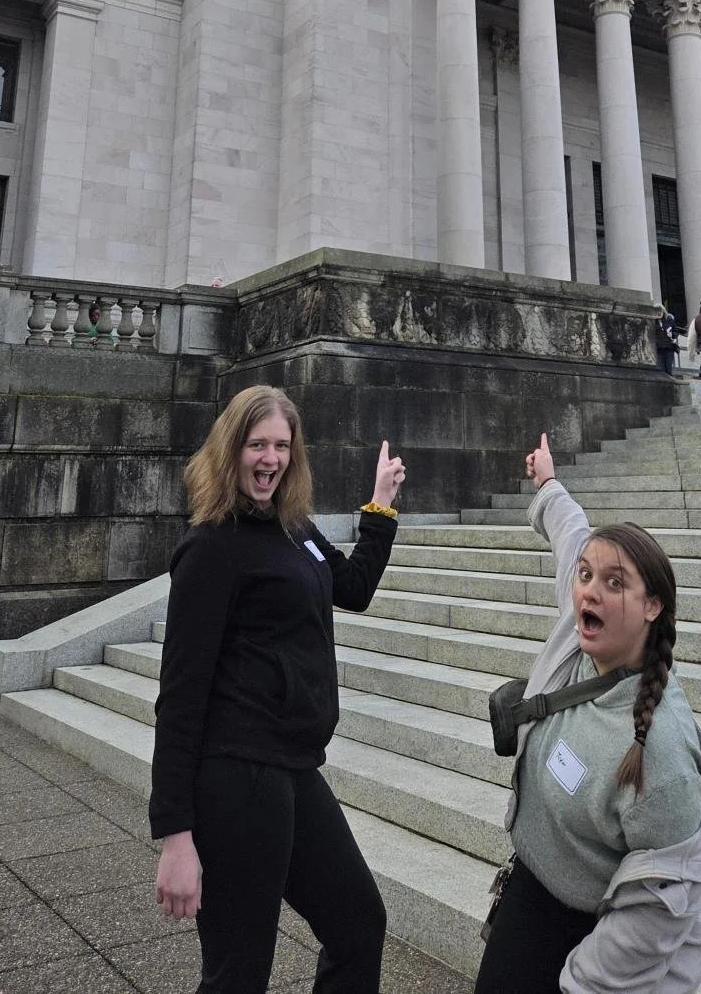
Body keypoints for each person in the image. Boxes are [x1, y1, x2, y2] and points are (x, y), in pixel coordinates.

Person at [150, 384, 406, 994]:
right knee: (239, 971)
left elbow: (353, 588)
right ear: (230, 450)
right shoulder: (211, 548)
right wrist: (176, 836)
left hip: (292, 767)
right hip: (235, 775)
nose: (270, 459)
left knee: (358, 925)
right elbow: (180, 697)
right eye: (257, 444)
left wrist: (381, 504)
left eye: (282, 446)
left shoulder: (297, 531)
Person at [474, 433, 701, 994]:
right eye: (586, 577)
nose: (589, 589)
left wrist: (583, 981)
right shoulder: (580, 624)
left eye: (616, 583)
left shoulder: (664, 757)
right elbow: (572, 533)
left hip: (586, 935)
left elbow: (661, 909)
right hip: (529, 890)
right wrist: (547, 481)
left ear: (651, 606)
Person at [653, 307, 679, 377]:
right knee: (661, 368)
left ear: (663, 311)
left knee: (669, 367)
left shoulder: (669, 319)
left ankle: (670, 384)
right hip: (658, 348)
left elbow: (675, 331)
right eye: (657, 312)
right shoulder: (652, 321)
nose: (659, 314)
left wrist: (672, 335)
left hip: (669, 347)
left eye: (660, 312)